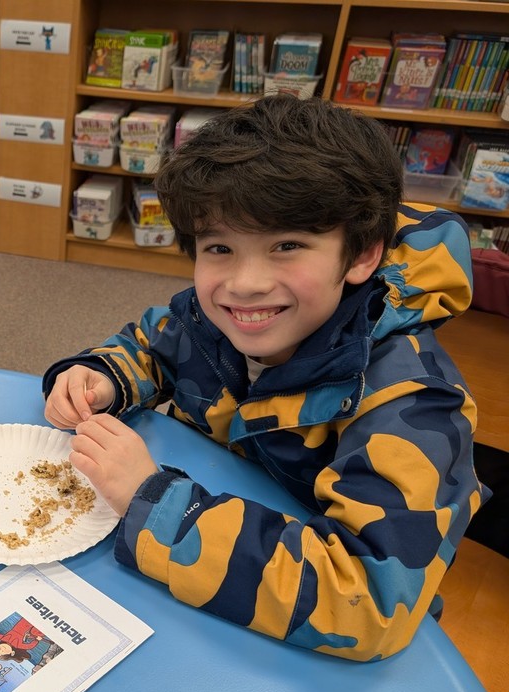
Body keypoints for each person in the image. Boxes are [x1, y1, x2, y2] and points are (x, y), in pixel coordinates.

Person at [43, 95, 488, 662]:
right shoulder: (209, 317)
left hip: (305, 644)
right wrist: (102, 375)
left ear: (361, 255)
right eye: (219, 248)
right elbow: (152, 343)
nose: (245, 283)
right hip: (206, 588)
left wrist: (152, 502)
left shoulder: (414, 402)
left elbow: (366, 599)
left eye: (287, 246)